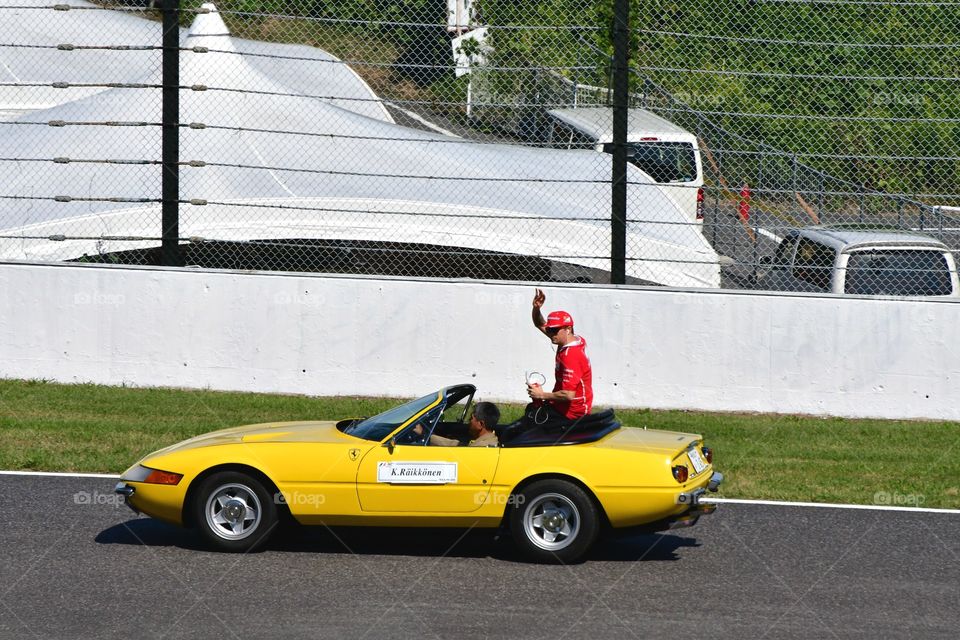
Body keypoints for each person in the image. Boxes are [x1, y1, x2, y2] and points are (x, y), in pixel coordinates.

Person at [526, 288, 593, 428]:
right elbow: (539, 323)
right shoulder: (572, 339)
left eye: (554, 330)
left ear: (568, 329)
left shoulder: (571, 356)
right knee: (530, 412)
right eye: (550, 329)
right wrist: (536, 308)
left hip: (572, 415)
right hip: (563, 407)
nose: (551, 333)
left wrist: (541, 395)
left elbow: (568, 395)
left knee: (528, 425)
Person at [414, 401, 500, 447]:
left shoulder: (481, 448)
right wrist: (425, 434)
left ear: (480, 424)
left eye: (471, 419)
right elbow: (454, 444)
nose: (469, 422)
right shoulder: (487, 440)